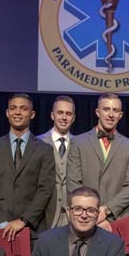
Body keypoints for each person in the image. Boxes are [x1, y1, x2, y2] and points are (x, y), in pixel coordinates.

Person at [0, 93, 55, 242]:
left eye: (23, 109)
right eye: (13, 108)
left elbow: (45, 189)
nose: (18, 112)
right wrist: (2, 223)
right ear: (7, 113)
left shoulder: (44, 149)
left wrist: (24, 220)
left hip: (32, 229)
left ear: (32, 114)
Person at [67, 93, 129, 230]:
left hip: (118, 219)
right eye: (106, 109)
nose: (111, 114)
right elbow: (73, 183)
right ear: (97, 112)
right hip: (85, 218)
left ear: (121, 115)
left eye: (115, 110)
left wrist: (106, 210)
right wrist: (92, 212)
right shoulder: (78, 142)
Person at [39, 95, 76, 228]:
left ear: (73, 118)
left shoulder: (80, 144)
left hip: (72, 216)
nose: (64, 117)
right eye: (60, 113)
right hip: (45, 215)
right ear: (52, 115)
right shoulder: (38, 143)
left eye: (68, 114)